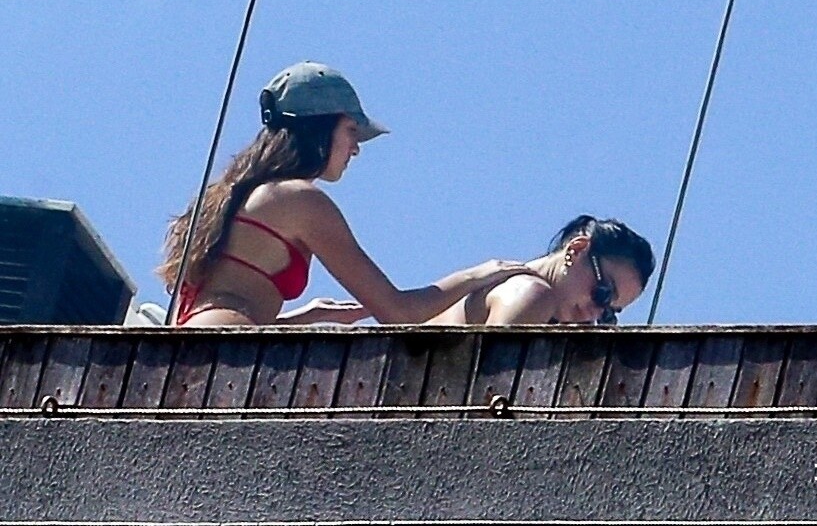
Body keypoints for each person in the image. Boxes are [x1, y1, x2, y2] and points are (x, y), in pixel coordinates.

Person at [158, 60, 538, 326]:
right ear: (320, 127)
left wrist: (307, 317)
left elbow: (220, 315)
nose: (356, 148)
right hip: (227, 362)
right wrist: (478, 274)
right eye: (351, 131)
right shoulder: (300, 201)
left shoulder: (234, 197)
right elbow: (398, 312)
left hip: (196, 357)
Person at [425, 215, 655, 326]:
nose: (595, 314)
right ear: (577, 250)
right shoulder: (532, 295)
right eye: (603, 293)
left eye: (608, 314)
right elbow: (492, 396)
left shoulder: (513, 286)